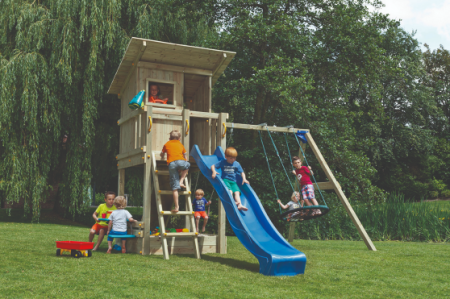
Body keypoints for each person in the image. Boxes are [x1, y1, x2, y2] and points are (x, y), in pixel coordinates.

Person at [160, 130, 190, 213]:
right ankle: (181, 181)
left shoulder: (167, 144)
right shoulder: (180, 144)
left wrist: (162, 156)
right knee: (187, 165)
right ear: (179, 139)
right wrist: (185, 161)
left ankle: (177, 207)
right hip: (181, 161)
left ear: (169, 138)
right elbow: (185, 154)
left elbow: (162, 154)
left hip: (172, 164)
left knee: (175, 188)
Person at [211, 147, 249, 211]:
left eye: (234, 158)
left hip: (234, 182)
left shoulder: (236, 164)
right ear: (226, 156)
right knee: (230, 191)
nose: (233, 159)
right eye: (231, 158)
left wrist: (244, 179)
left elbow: (242, 172)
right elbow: (213, 166)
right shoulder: (222, 162)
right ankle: (232, 202)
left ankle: (239, 205)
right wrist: (214, 172)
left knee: (237, 192)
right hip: (225, 180)